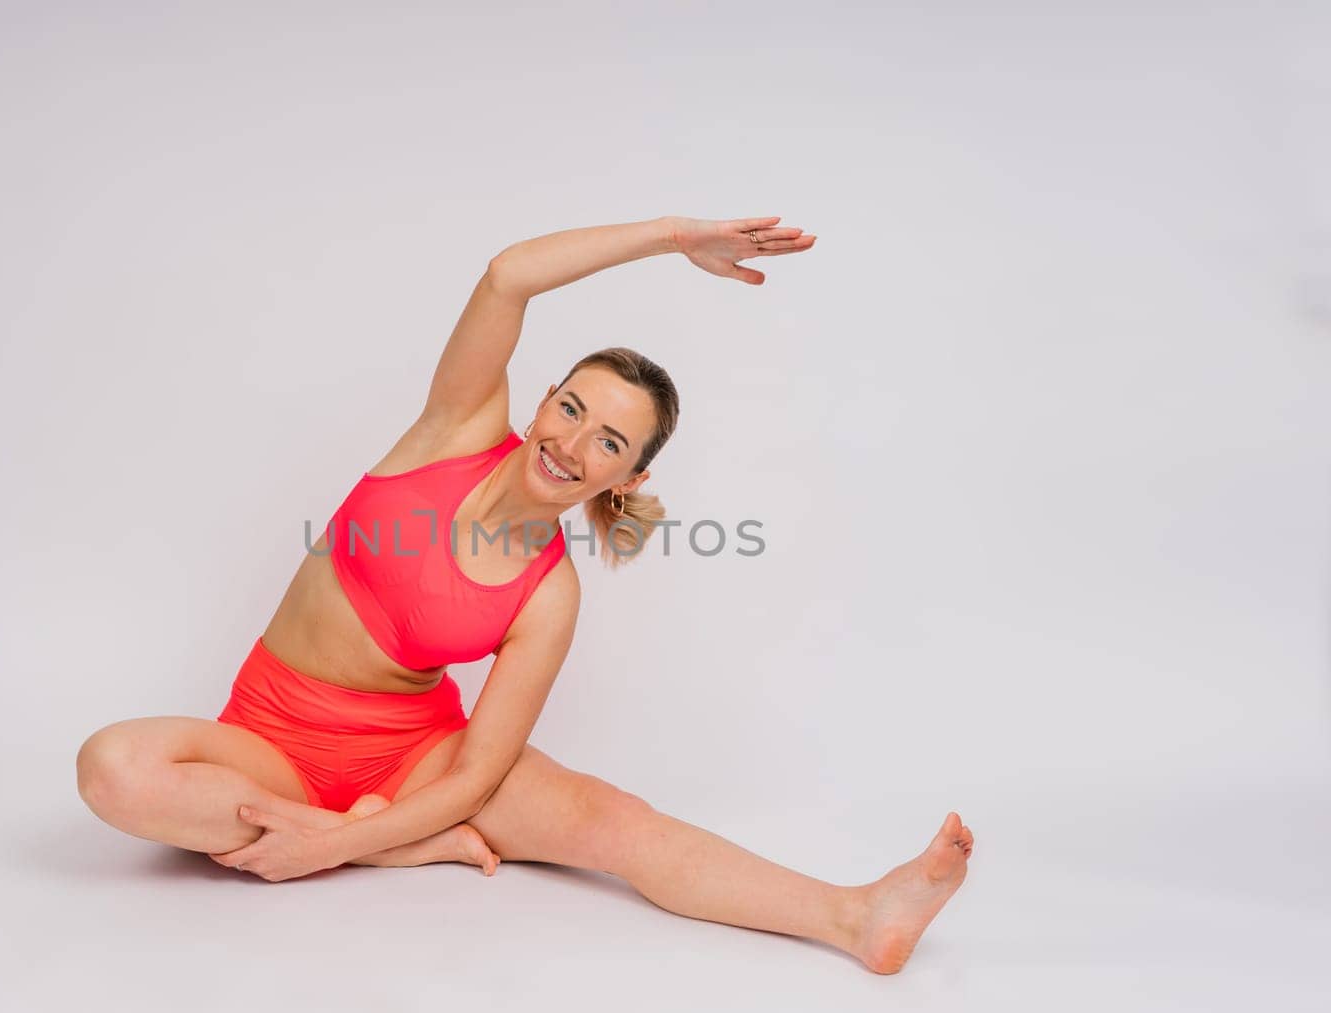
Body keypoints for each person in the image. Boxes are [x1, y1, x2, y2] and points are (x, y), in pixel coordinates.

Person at [75, 213, 975, 974]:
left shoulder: (550, 596)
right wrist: (672, 237)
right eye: (574, 409)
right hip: (268, 738)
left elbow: (475, 774)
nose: (575, 445)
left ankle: (855, 917)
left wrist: (328, 843)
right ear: (542, 398)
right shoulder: (454, 429)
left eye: (611, 444)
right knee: (113, 769)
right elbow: (508, 277)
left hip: (411, 762)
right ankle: (404, 846)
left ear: (626, 474)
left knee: (614, 822)